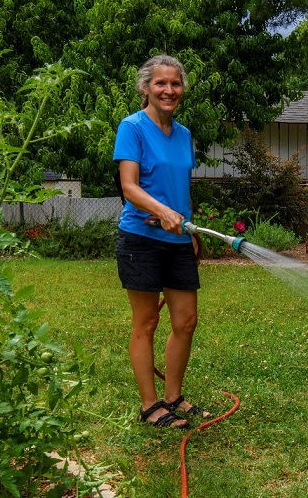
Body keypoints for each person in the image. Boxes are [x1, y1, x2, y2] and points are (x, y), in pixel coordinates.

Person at [113, 54, 209, 429]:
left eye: (175, 84)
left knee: (186, 320)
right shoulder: (132, 127)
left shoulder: (184, 134)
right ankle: (150, 405)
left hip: (178, 239)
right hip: (141, 238)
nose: (169, 90)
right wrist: (163, 212)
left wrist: (189, 227)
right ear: (145, 88)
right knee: (147, 321)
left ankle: (173, 396)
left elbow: (179, 185)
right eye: (160, 83)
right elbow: (129, 186)